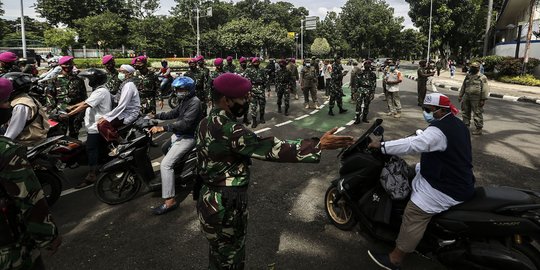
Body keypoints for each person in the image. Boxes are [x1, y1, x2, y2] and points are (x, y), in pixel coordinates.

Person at [196, 73, 354, 270]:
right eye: (243, 98)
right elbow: (271, 148)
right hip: (225, 205)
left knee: (218, 254)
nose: (247, 101)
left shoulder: (205, 122)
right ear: (226, 100)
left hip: (207, 200)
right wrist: (317, 145)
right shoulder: (230, 129)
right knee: (231, 259)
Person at [367, 93, 473, 270]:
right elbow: (429, 140)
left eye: (428, 110)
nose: (425, 113)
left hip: (446, 186)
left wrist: (382, 146)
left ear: (440, 111)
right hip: (452, 175)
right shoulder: (456, 123)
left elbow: (413, 145)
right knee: (411, 170)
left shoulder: (438, 131)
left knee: (414, 213)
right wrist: (419, 134)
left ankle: (395, 259)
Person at [0, 78, 62, 269]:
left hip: (27, 142)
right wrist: (48, 235)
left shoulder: (23, 104)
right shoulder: (5, 150)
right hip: (9, 245)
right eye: (3, 102)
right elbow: (29, 198)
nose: (6, 105)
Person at [148, 77, 202, 215]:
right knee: (164, 148)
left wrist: (163, 128)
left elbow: (185, 124)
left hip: (188, 137)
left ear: (189, 90)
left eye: (181, 89)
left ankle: (170, 201)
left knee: (165, 165)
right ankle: (176, 176)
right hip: (180, 135)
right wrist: (155, 116)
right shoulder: (185, 100)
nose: (178, 92)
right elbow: (173, 113)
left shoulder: (195, 103)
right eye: (177, 89)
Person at [61, 69, 112, 188]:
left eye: (89, 79)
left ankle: (92, 174)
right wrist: (71, 107)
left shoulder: (101, 91)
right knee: (98, 148)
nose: (88, 81)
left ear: (95, 80)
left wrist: (68, 115)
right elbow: (86, 101)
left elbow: (85, 105)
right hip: (94, 125)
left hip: (97, 126)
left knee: (91, 149)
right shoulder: (98, 90)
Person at [2, 72, 50, 146]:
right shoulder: (23, 97)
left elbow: (12, 132)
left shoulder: (20, 105)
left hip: (27, 142)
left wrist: (4, 144)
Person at [98, 65, 141, 145]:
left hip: (129, 113)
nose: (120, 73)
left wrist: (106, 117)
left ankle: (119, 142)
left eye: (122, 72)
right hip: (124, 111)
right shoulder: (124, 83)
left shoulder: (129, 85)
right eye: (119, 71)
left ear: (129, 74)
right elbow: (117, 98)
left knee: (103, 125)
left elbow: (122, 105)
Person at [50, 56, 87, 139]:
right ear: (61, 65)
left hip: (75, 112)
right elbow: (50, 98)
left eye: (70, 64)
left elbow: (84, 97)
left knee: (74, 135)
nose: (67, 66)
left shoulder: (78, 80)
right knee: (59, 136)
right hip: (60, 112)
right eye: (65, 64)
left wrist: (82, 113)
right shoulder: (54, 80)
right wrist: (52, 114)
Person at [458, 62, 489, 135]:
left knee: (477, 113)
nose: (472, 69)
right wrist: (460, 95)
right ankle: (465, 126)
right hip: (466, 95)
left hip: (476, 98)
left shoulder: (482, 77)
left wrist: (483, 99)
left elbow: (485, 89)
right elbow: (464, 85)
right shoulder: (468, 76)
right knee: (465, 111)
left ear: (478, 68)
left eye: (474, 67)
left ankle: (478, 128)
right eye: (472, 67)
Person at [244, 57, 268, 128]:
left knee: (262, 105)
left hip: (261, 90)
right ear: (252, 63)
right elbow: (245, 81)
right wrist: (247, 91)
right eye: (255, 62)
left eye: (257, 62)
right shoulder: (248, 70)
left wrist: (267, 89)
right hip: (252, 90)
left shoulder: (262, 70)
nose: (256, 63)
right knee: (253, 107)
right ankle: (254, 121)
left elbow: (266, 79)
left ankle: (261, 117)